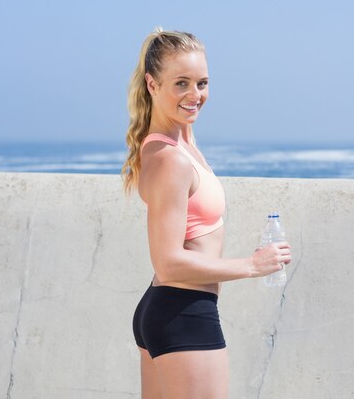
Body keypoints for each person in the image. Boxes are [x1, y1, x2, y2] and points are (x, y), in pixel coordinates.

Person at [122, 28, 292, 399]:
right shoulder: (169, 159)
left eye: (202, 82)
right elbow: (168, 263)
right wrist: (252, 265)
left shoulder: (178, 142)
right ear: (152, 84)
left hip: (169, 311)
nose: (194, 95)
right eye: (180, 83)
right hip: (183, 315)